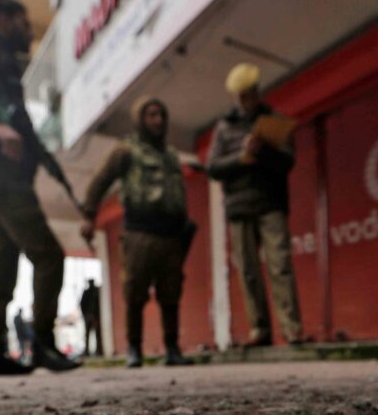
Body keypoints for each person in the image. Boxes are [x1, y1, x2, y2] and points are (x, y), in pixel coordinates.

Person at [0, 0, 80, 375]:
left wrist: (51, 167)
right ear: (4, 19)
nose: (29, 30)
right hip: (1, 169)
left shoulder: (6, 62)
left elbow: (24, 127)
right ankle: (42, 342)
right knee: (49, 254)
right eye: (24, 21)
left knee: (0, 265)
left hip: (2, 173)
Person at [81, 96, 194, 368]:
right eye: (151, 115)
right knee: (135, 292)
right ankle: (134, 348)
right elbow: (99, 182)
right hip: (139, 231)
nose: (157, 121)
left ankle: (172, 348)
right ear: (139, 119)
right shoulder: (126, 151)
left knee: (171, 292)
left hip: (171, 233)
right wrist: (89, 216)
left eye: (161, 115)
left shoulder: (170, 155)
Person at [207, 63, 303, 347]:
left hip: (270, 202)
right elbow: (213, 166)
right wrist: (241, 156)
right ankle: (259, 330)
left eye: (248, 94)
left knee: (280, 264)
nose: (244, 100)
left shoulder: (274, 120)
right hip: (238, 207)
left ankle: (292, 329)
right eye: (239, 96)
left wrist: (264, 152)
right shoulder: (224, 128)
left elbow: (288, 161)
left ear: (256, 92)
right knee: (248, 270)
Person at [79, 279, 102, 357]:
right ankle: (86, 351)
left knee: (98, 334)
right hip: (88, 316)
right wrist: (86, 314)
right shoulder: (86, 293)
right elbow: (82, 304)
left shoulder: (97, 292)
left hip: (95, 316)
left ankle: (99, 350)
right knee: (87, 335)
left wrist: (97, 315)